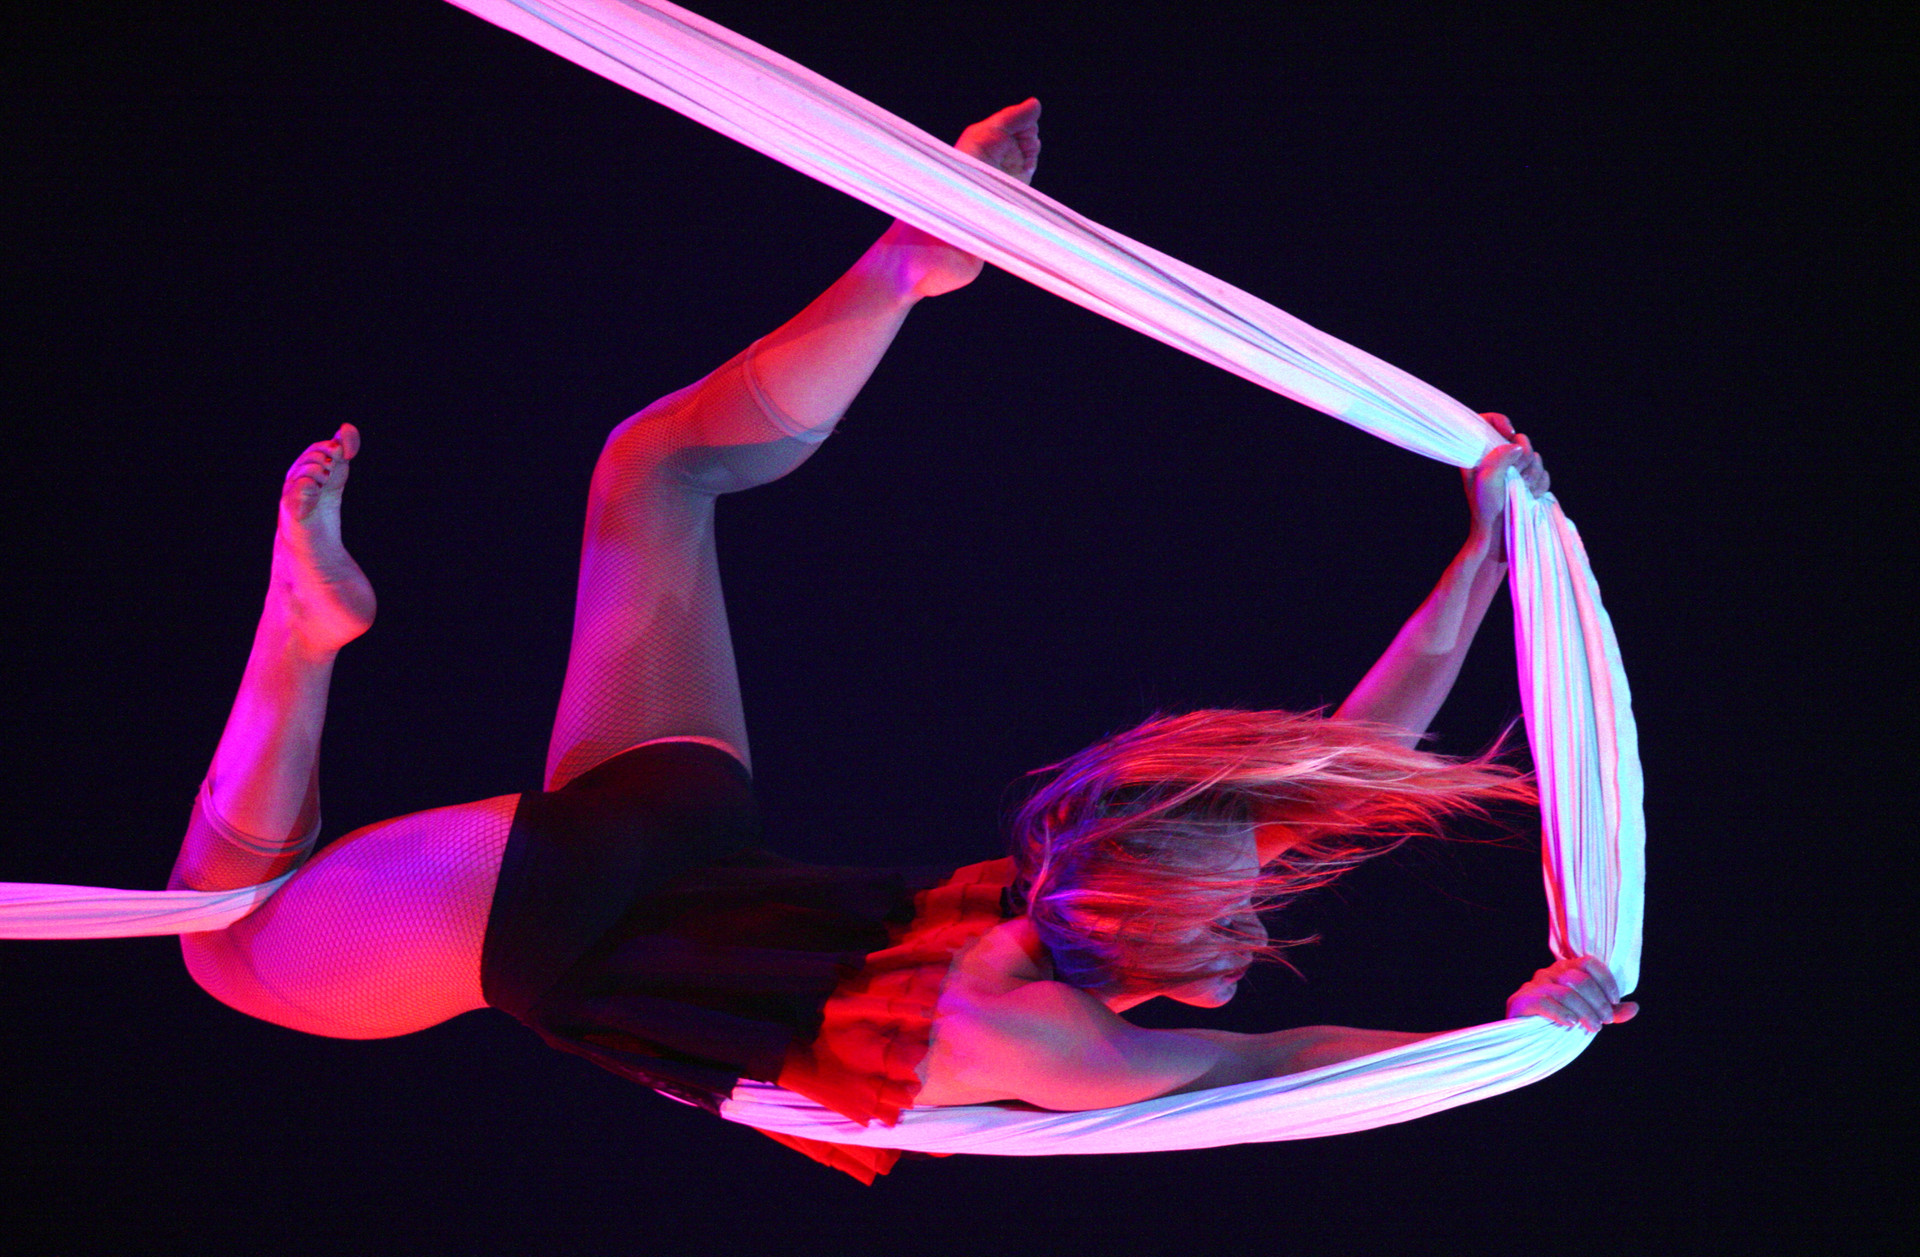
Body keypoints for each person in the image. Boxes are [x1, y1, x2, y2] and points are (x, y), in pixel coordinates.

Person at [167, 100, 1634, 1181]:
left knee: (657, 475)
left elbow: (1345, 768)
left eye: (1239, 899)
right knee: (222, 956)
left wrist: (1485, 556)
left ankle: (903, 270)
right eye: (1244, 900)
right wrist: (1517, 1040)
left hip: (667, 844)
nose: (1262, 921)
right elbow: (1280, 1065)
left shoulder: (1062, 948)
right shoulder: (1042, 1036)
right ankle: (304, 636)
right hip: (564, 903)